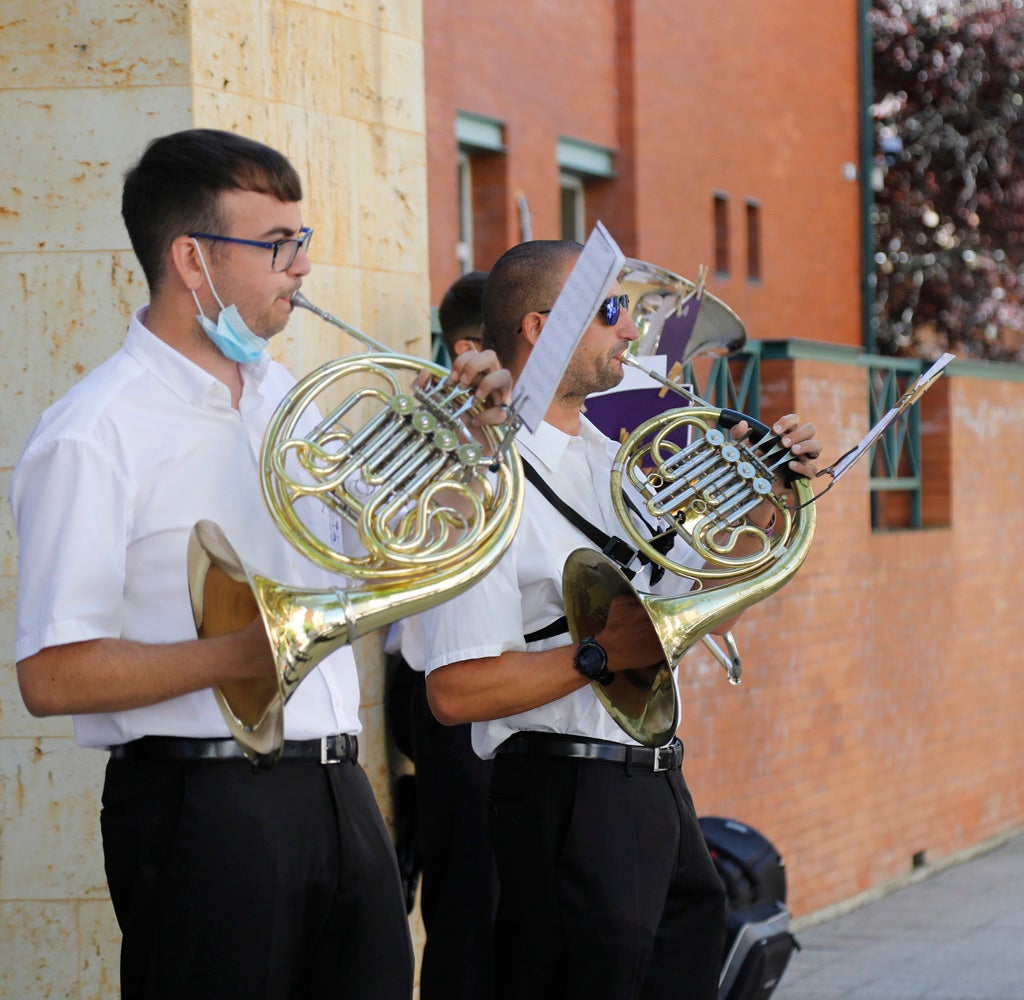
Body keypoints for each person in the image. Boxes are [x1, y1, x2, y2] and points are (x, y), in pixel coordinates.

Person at [9, 128, 510, 1000]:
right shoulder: (95, 431)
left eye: (300, 241)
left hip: (338, 787)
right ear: (192, 261)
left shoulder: (289, 400)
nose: (302, 268)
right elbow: (51, 675)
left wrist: (461, 457)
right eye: (276, 245)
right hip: (202, 807)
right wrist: (246, 654)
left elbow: (384, 564)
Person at [420, 240, 822, 1000]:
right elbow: (455, 693)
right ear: (541, 327)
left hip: (656, 787)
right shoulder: (481, 476)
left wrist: (770, 496)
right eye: (613, 312)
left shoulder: (618, 459)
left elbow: (687, 606)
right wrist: (599, 656)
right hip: (562, 793)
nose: (632, 332)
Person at [386, 268, 498, 1000]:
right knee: (469, 914)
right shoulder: (419, 435)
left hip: (514, 697)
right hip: (445, 701)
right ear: (465, 350)